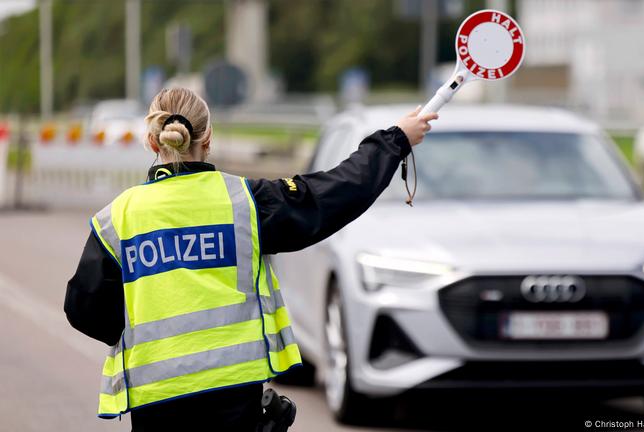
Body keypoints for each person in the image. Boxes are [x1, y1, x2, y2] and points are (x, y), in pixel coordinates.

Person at [64, 87, 437, 431]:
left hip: (156, 399)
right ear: (207, 139)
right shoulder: (247, 201)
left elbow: (83, 308)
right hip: (234, 396)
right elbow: (335, 193)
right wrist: (396, 140)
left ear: (151, 141)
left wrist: (144, 324)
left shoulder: (118, 217)